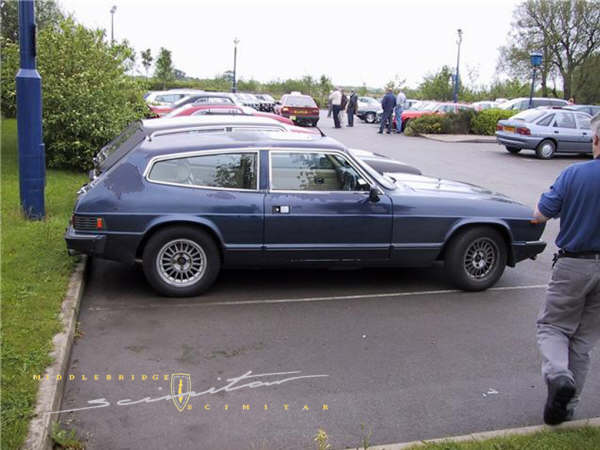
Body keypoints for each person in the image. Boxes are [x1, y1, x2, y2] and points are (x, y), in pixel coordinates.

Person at [531, 113, 600, 426]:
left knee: (553, 327)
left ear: (595, 139)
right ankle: (565, 410)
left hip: (574, 263)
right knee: (584, 341)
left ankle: (559, 377)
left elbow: (539, 215)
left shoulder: (575, 174)